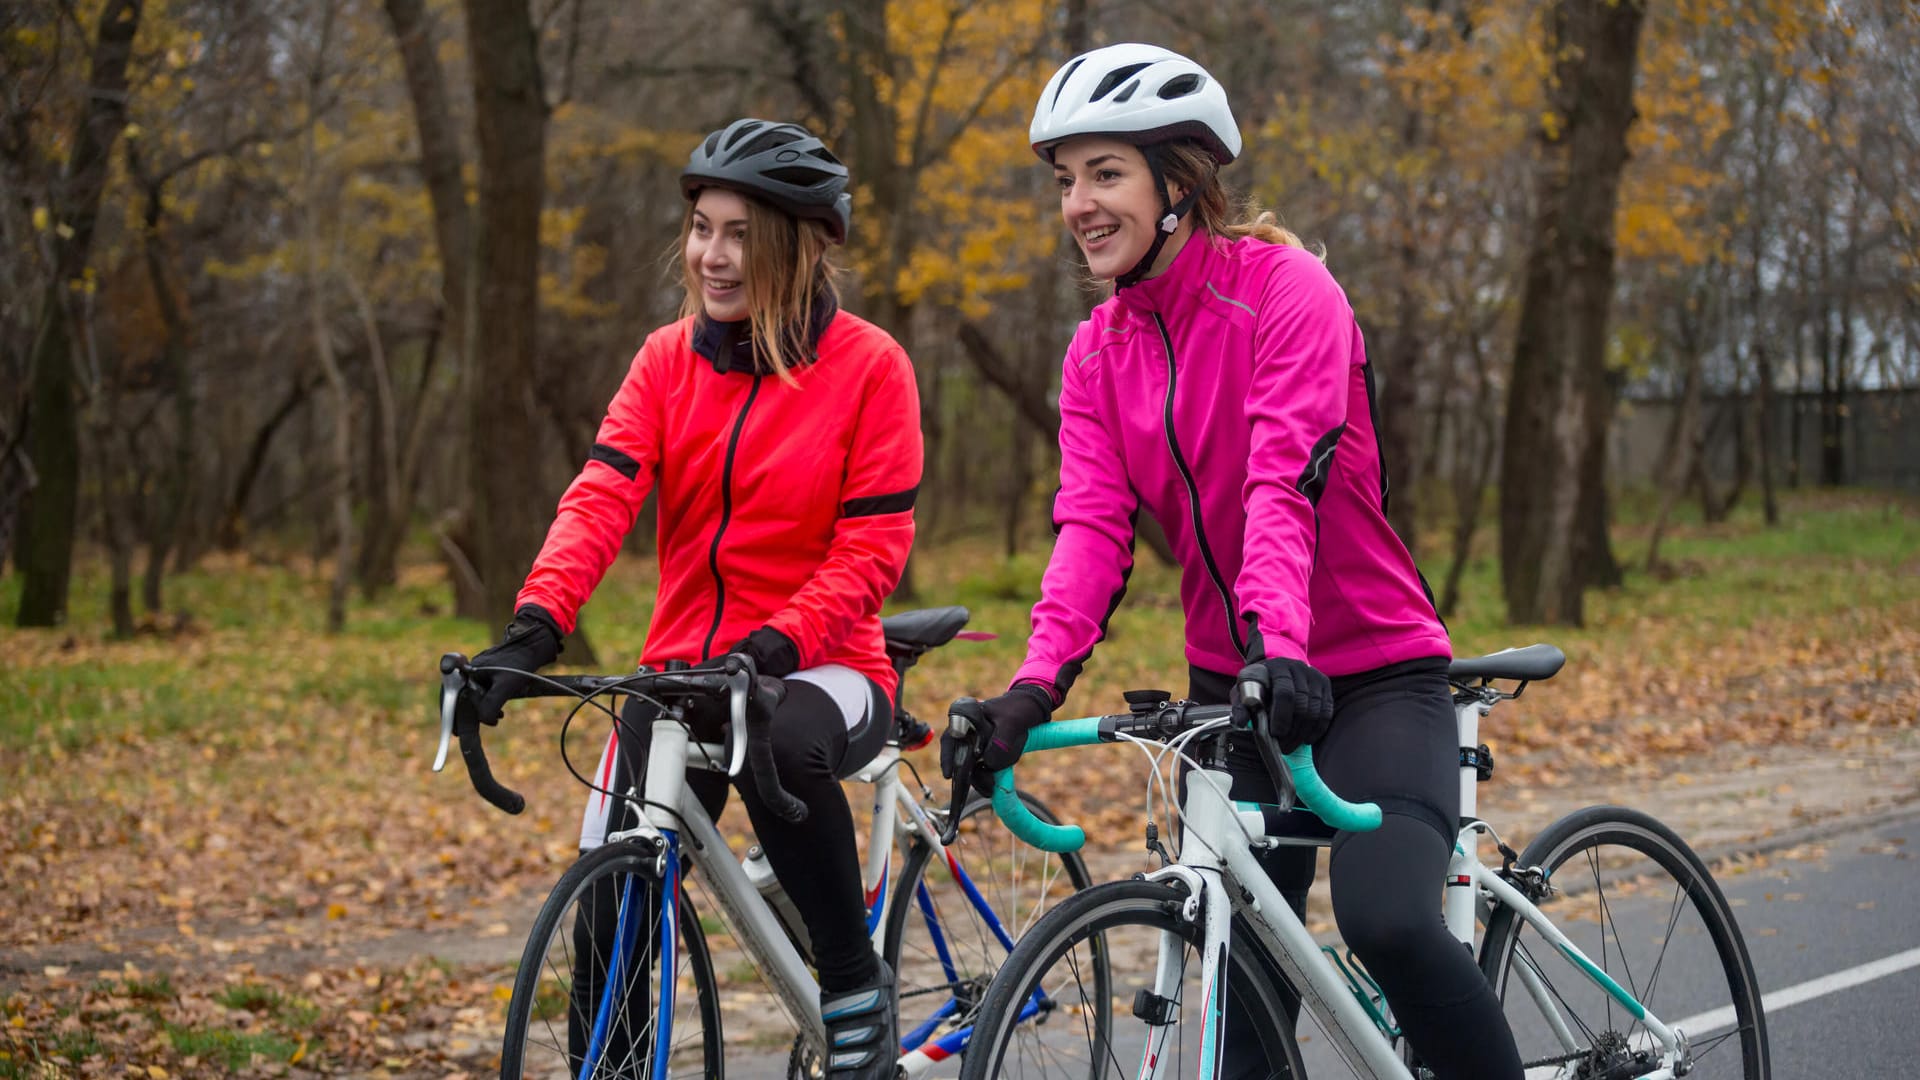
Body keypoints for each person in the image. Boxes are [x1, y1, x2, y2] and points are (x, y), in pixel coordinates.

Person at [946, 44, 1524, 1079]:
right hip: (1241, 685)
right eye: (1065, 180)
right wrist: (1032, 689)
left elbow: (1280, 484)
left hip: (1372, 673)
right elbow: (1089, 529)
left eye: (1105, 173)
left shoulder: (1288, 292)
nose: (1078, 203)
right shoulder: (1095, 352)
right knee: (1240, 970)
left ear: (1179, 182)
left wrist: (1280, 643)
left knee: (1387, 919)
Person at [468, 118, 920, 1079]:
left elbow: (872, 547)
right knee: (610, 906)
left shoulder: (872, 367)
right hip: (683, 668)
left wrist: (777, 641)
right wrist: (533, 628)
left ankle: (851, 988)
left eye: (741, 235)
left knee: (785, 746)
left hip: (825, 663)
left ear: (797, 247)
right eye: (702, 228)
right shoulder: (667, 359)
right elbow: (601, 497)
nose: (712, 256)